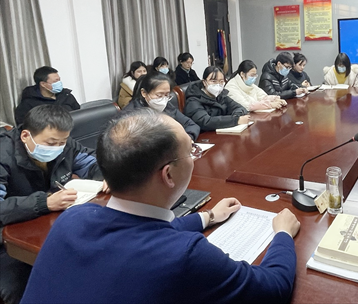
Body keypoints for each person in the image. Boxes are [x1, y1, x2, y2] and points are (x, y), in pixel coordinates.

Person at [21, 109, 301, 304]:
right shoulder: (186, 255)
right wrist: (282, 234)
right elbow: (273, 288)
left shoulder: (73, 218)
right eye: (190, 151)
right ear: (168, 174)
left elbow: (140, 232)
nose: (194, 157)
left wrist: (207, 217)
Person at [0, 105, 106, 304]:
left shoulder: (64, 144)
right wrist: (44, 202)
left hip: (49, 224)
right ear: (25, 136)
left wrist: (105, 177)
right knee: (21, 289)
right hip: (8, 240)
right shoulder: (3, 154)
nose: (57, 148)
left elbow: (91, 163)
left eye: (62, 142)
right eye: (51, 143)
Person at [123, 72, 199, 141]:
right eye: (159, 95)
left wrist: (188, 139)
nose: (163, 99)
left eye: (167, 95)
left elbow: (191, 125)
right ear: (144, 93)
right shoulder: (130, 115)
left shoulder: (168, 106)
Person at [185, 66, 250, 131]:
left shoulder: (221, 95)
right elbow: (205, 122)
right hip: (204, 135)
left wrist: (236, 116)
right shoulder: (193, 100)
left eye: (221, 81)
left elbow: (240, 108)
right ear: (204, 82)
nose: (218, 85)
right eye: (213, 81)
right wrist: (235, 120)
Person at [14, 66, 80, 126]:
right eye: (55, 81)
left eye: (59, 80)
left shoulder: (66, 95)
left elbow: (79, 113)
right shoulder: (28, 103)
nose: (59, 83)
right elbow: (24, 126)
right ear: (43, 84)